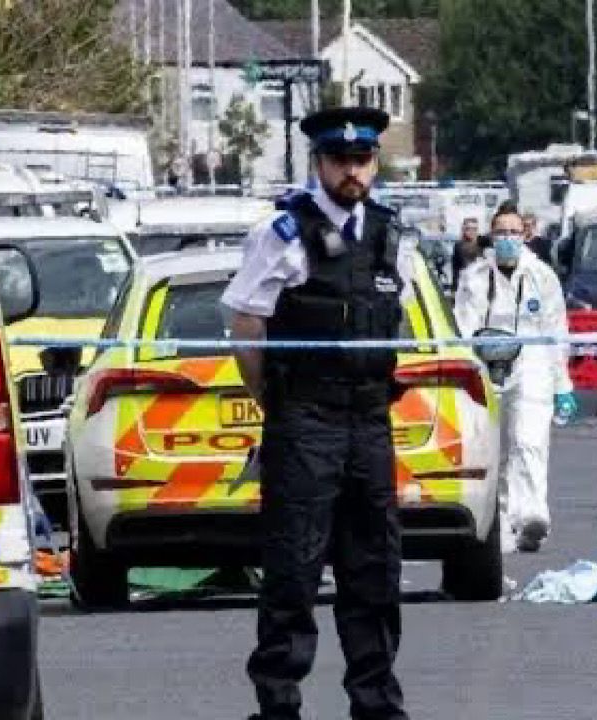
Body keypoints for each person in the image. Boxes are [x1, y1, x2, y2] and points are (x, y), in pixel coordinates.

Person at [220, 106, 410, 720]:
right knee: (293, 571)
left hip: (369, 420)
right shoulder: (282, 233)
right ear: (319, 162)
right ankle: (278, 706)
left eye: (363, 159)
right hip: (306, 419)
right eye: (340, 160)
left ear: (374, 163)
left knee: (375, 570)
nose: (352, 171)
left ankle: (376, 704)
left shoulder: (389, 235)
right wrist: (273, 404)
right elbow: (247, 326)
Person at [454, 203, 577, 553]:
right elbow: (463, 327)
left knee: (529, 440)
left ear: (525, 235)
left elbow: (556, 332)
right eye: (500, 233)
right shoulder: (475, 276)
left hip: (532, 364)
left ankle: (533, 514)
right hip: (487, 364)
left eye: (513, 232)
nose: (507, 239)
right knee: (494, 448)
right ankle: (505, 521)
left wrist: (562, 385)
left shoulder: (541, 276)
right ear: (490, 237)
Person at [449, 216, 487, 291]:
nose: (471, 232)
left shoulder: (484, 242)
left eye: (474, 229)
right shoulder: (459, 246)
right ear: (463, 230)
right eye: (468, 229)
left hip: (482, 284)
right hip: (465, 285)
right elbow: (456, 268)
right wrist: (454, 288)